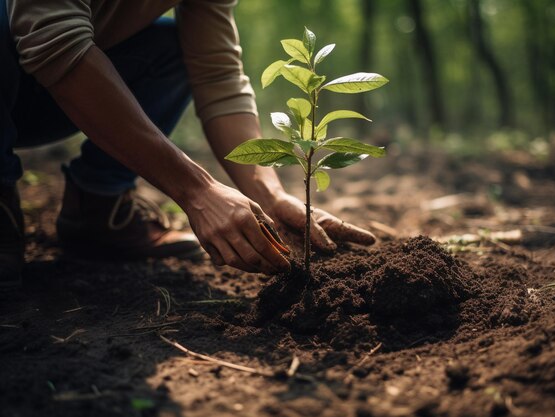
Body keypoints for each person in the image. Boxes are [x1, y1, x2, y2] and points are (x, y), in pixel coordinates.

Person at [0, 0, 376, 287]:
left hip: (40, 91)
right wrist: (198, 191)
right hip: (32, 61)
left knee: (173, 48)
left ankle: (96, 208)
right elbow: (54, 41)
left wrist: (270, 195)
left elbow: (218, 77)